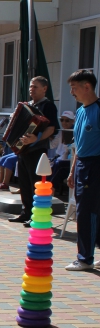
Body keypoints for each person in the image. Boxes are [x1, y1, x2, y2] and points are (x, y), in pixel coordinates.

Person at [8, 77, 59, 226]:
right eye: (31, 86)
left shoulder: (48, 106)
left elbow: (51, 128)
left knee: (35, 184)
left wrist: (36, 138)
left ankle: (36, 215)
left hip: (37, 150)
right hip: (23, 150)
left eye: (35, 87)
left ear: (44, 88)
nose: (32, 89)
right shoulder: (27, 106)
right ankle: (26, 212)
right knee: (23, 183)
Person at [65, 70, 100, 271]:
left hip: (95, 165)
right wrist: (72, 171)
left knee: (87, 212)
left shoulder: (99, 109)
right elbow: (78, 145)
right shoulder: (80, 112)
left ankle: (85, 258)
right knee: (87, 210)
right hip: (82, 165)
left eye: (74, 88)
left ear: (87, 87)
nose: (71, 92)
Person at [49, 110, 75, 194]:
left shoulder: (75, 132)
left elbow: (71, 151)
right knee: (48, 164)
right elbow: (52, 145)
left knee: (58, 165)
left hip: (71, 160)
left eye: (67, 120)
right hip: (60, 158)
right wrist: (48, 136)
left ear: (72, 121)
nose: (64, 122)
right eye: (62, 120)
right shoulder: (61, 131)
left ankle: (52, 189)